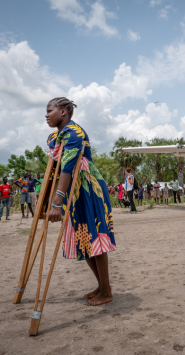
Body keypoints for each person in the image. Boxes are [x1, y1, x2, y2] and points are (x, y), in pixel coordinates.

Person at [45, 97, 115, 306]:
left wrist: (56, 203)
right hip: (73, 192)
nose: (46, 114)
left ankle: (106, 291)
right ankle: (102, 286)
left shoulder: (75, 133)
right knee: (83, 237)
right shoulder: (56, 136)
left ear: (64, 112)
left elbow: (67, 167)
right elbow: (54, 168)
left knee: (95, 236)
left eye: (50, 110)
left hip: (87, 190)